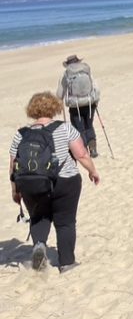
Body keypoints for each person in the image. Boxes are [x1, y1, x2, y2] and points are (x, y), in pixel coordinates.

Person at [9, 91, 101, 272]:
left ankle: (40, 246)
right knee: (65, 221)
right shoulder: (65, 128)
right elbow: (81, 154)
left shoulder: (21, 134)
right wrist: (93, 171)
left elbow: (13, 166)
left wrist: (16, 190)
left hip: (31, 183)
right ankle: (66, 262)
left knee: (39, 217)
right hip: (65, 182)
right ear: (54, 108)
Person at [57, 54, 101, 158]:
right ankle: (93, 149)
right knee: (89, 125)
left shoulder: (66, 74)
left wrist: (61, 101)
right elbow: (95, 87)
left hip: (75, 105)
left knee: (79, 128)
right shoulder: (86, 70)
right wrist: (96, 100)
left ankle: (83, 149)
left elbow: (59, 94)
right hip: (90, 103)